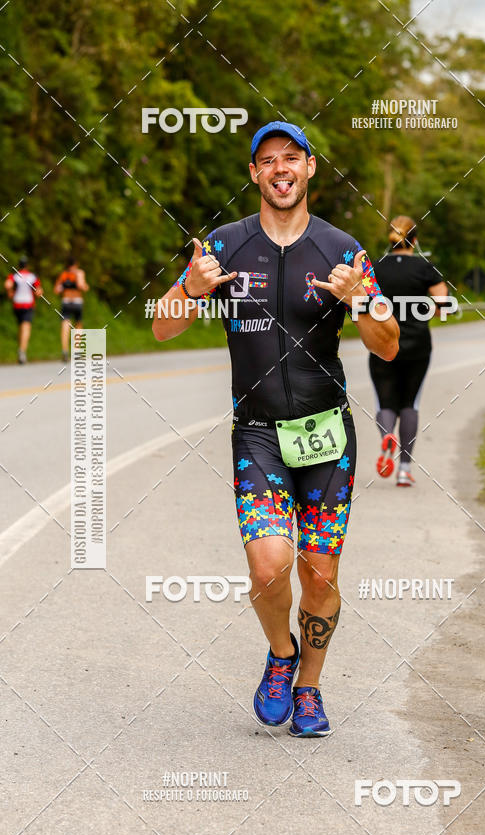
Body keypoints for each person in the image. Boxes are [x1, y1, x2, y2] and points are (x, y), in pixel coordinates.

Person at [153, 121, 398, 736]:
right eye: (268, 160)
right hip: (257, 432)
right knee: (268, 567)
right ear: (255, 174)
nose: (281, 168)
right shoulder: (225, 245)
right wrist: (190, 285)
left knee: (320, 575)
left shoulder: (344, 251)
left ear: (310, 168)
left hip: (326, 437)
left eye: (293, 158)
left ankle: (310, 689)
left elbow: (389, 347)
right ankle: (281, 657)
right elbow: (162, 326)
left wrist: (361, 302)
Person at [370, 216, 448, 486]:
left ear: (390, 240)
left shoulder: (376, 268)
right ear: (415, 240)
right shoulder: (425, 268)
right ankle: (404, 469)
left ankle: (386, 437)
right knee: (410, 403)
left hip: (382, 344)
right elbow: (443, 304)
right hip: (417, 345)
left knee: (386, 402)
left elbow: (361, 302)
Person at [4, 256, 43, 364]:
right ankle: (22, 351)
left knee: (21, 326)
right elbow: (39, 292)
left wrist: (10, 292)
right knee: (26, 327)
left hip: (17, 304)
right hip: (28, 304)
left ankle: (20, 349)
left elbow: (7, 285)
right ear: (27, 265)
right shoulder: (32, 276)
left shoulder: (14, 276)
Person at [54, 257, 89, 361]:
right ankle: (77, 351)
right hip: (77, 301)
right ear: (76, 264)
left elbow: (56, 289)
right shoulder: (79, 273)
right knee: (78, 324)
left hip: (66, 301)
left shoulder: (63, 275)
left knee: (65, 324)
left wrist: (65, 287)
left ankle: (65, 350)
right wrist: (85, 286)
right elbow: (82, 286)